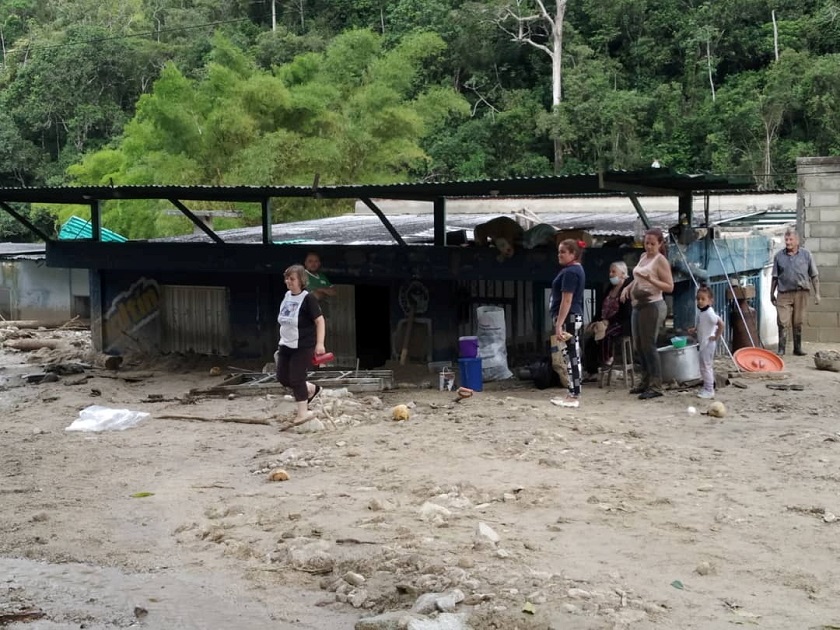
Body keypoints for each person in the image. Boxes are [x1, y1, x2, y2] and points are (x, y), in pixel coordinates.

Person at [621, 228, 674, 400]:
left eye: (653, 244)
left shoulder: (661, 261)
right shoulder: (644, 257)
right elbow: (638, 278)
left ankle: (656, 384)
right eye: (647, 243)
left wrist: (652, 280)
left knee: (648, 345)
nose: (649, 246)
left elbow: (669, 286)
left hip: (652, 304)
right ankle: (644, 380)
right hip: (638, 304)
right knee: (638, 345)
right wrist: (627, 288)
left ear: (660, 244)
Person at [276, 264, 326, 423]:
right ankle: (311, 389)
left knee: (297, 377)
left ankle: (303, 413)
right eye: (286, 278)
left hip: (303, 345)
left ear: (301, 281)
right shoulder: (286, 296)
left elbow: (320, 321)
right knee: (283, 378)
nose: (288, 281)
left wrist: (320, 344)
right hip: (285, 343)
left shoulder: (308, 298)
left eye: (292, 279)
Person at [770, 228, 820, 356]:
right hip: (784, 293)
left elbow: (814, 276)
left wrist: (817, 294)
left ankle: (797, 348)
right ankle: (781, 349)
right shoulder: (779, 256)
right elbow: (775, 277)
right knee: (782, 321)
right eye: (786, 239)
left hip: (801, 292)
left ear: (797, 241)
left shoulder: (806, 255)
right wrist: (772, 293)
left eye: (791, 239)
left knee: (798, 321)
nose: (788, 242)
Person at [549, 239, 586, 408]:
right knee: (571, 354)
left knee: (571, 356)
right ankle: (573, 390)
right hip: (571, 317)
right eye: (559, 252)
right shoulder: (574, 270)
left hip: (569, 318)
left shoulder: (570, 272)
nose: (560, 255)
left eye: (563, 252)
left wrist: (559, 323)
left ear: (573, 254)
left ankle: (574, 393)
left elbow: (567, 300)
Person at [589, 261, 632, 368]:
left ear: (622, 274)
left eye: (614, 272)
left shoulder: (627, 289)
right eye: (610, 272)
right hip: (605, 321)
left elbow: (625, 313)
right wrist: (594, 321)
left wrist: (608, 321)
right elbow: (601, 307)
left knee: (605, 335)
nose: (611, 274)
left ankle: (607, 361)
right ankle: (592, 371)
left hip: (621, 323)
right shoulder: (610, 287)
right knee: (590, 340)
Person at [688, 285, 723, 399]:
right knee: (705, 366)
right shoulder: (703, 312)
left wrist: (716, 336)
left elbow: (721, 324)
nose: (700, 301)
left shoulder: (709, 313)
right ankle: (708, 386)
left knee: (705, 367)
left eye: (703, 299)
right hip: (704, 343)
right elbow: (703, 324)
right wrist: (695, 329)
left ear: (710, 301)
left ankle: (709, 389)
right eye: (698, 299)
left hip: (708, 343)